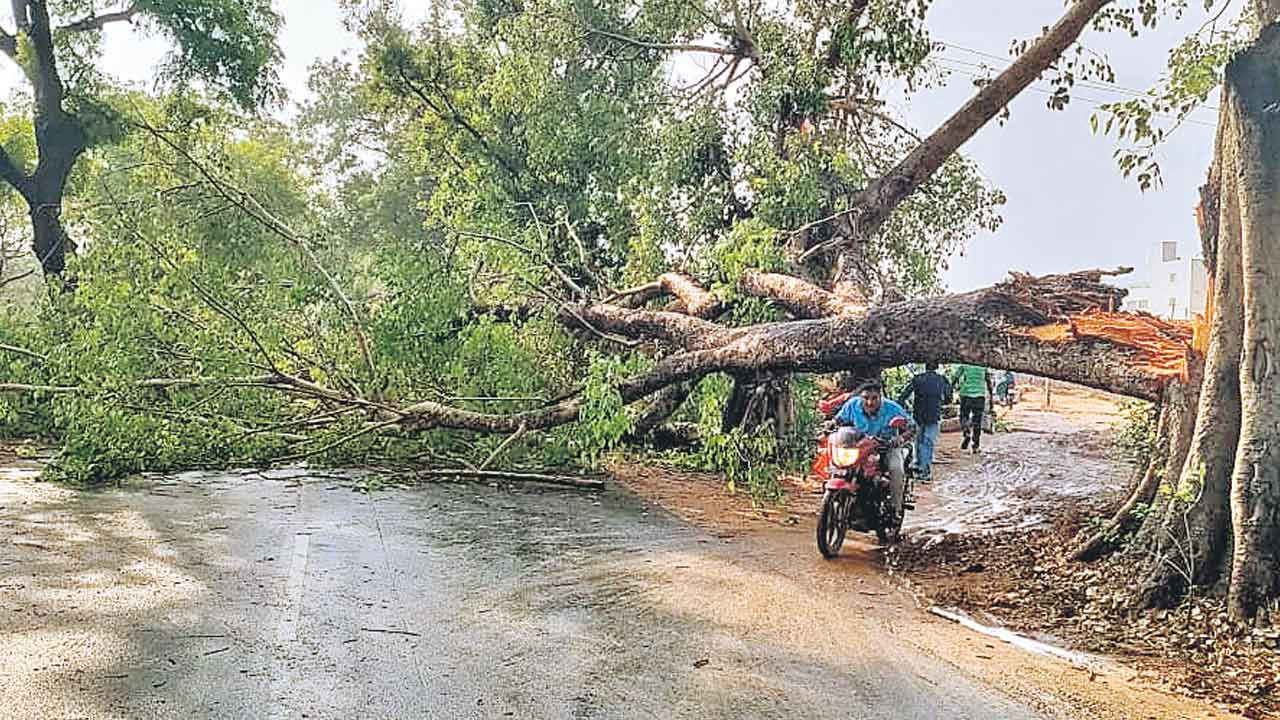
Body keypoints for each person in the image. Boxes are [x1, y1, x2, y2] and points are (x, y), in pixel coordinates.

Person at [835, 380, 915, 512]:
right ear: (860, 397)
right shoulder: (852, 405)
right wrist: (830, 425)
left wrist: (900, 438)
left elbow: (911, 427)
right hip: (860, 447)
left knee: (896, 469)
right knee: (840, 466)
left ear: (880, 397)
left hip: (886, 446)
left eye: (874, 398)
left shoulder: (892, 408)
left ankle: (895, 508)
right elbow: (839, 420)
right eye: (865, 398)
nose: (869, 402)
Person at [896, 362, 951, 482]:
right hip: (933, 414)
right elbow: (948, 397)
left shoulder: (917, 379)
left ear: (925, 367)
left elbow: (903, 396)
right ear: (937, 367)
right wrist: (941, 401)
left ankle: (918, 464)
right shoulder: (941, 380)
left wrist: (904, 411)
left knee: (919, 440)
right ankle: (925, 471)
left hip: (918, 414)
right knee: (928, 442)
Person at [952, 364, 992, 454]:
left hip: (966, 394)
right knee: (977, 421)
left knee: (963, 416)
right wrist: (991, 394)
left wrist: (951, 388)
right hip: (979, 396)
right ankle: (975, 446)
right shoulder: (983, 366)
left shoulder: (965, 365)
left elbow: (955, 377)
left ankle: (966, 432)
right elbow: (988, 381)